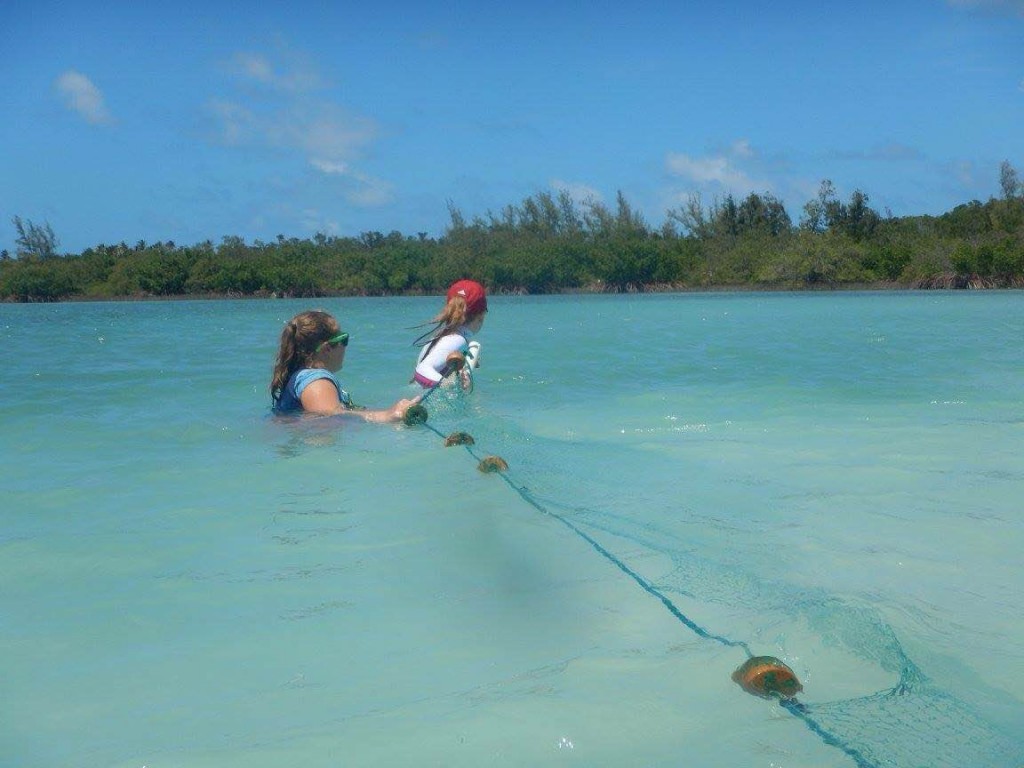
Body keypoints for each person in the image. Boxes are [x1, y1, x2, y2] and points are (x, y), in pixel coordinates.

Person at [271, 310, 419, 421]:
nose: (345, 346)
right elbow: (330, 419)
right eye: (344, 340)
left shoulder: (301, 376)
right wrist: (389, 415)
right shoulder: (317, 381)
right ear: (327, 348)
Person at [412, 279, 487, 389]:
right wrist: (449, 385)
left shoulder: (442, 335)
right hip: (424, 404)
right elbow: (422, 371)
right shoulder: (457, 340)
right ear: (481, 315)